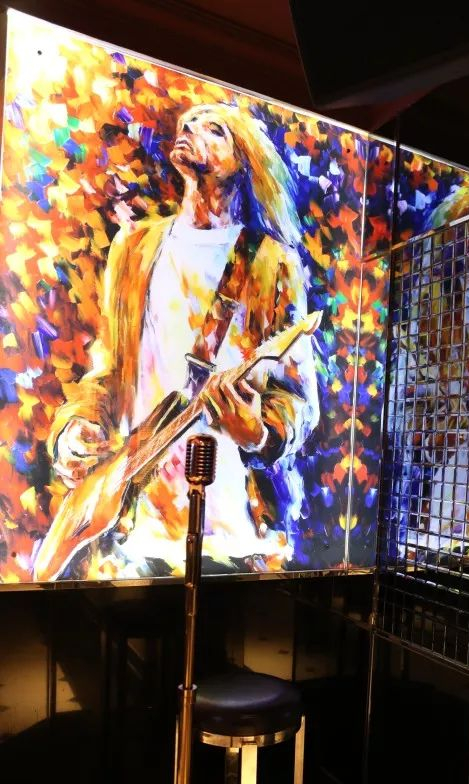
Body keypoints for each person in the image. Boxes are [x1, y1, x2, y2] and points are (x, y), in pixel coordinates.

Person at [45, 101, 320, 578]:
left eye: (215, 129)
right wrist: (77, 426)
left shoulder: (271, 262)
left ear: (243, 161)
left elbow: (297, 399)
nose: (191, 128)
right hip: (131, 525)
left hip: (231, 531)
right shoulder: (134, 249)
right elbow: (108, 370)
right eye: (189, 124)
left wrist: (257, 430)